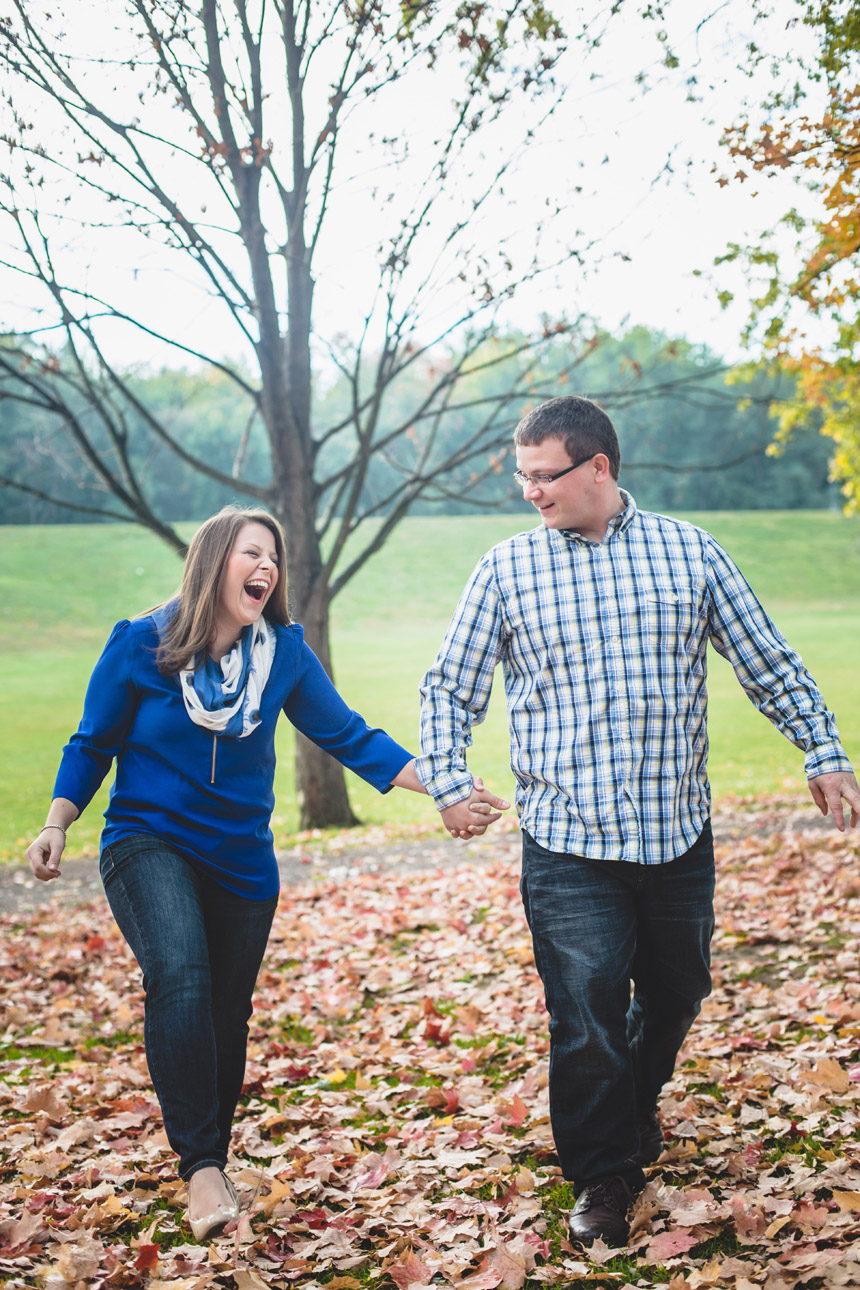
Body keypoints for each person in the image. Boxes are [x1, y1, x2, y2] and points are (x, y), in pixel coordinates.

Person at [414, 396, 860, 1248]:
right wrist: (445, 778)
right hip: (566, 837)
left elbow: (769, 663)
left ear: (599, 468)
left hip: (675, 835)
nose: (531, 493)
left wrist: (823, 751)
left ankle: (622, 1106)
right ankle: (603, 1175)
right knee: (583, 1007)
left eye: (545, 476)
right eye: (523, 476)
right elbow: (449, 687)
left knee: (678, 989)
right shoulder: (507, 570)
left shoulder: (690, 553)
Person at [25, 505, 506, 1242]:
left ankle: (207, 1154)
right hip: (146, 840)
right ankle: (202, 1168)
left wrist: (444, 792)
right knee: (179, 972)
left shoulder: (282, 655)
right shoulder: (140, 644)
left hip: (243, 861)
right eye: (253, 553)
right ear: (215, 560)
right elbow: (92, 743)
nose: (268, 568)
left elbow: (348, 734)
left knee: (226, 1012)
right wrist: (58, 822)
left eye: (274, 559)